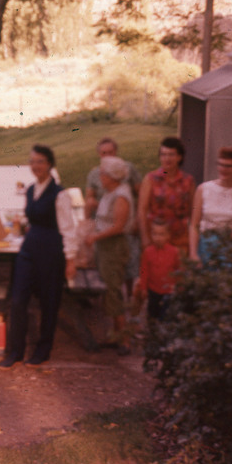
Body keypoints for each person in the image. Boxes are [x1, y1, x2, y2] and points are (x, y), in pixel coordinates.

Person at [0, 145, 78, 369]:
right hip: (29, 250)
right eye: (33, 161)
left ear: (50, 164)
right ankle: (16, 351)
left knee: (49, 302)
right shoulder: (31, 189)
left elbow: (68, 229)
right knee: (18, 300)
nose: (36, 166)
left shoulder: (60, 194)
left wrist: (70, 260)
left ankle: (43, 350)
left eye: (40, 161)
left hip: (51, 252)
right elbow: (31, 219)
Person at [84, 156, 135, 356]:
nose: (100, 176)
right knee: (109, 289)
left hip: (113, 247)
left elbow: (119, 226)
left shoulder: (121, 195)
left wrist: (95, 237)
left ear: (112, 176)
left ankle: (125, 339)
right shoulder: (110, 192)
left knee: (113, 291)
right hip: (105, 247)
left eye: (103, 173)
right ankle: (115, 334)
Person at [84, 136, 142, 294]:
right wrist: (95, 205)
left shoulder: (127, 169)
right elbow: (89, 196)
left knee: (129, 264)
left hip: (123, 222)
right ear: (99, 155)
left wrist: (138, 218)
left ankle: (128, 297)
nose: (108, 156)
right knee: (108, 267)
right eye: (104, 153)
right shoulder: (95, 173)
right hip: (103, 223)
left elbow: (140, 193)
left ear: (116, 151)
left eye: (111, 152)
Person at [189, 146, 232, 267]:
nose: (223, 169)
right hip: (205, 246)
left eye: (228, 166)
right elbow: (194, 225)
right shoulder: (203, 189)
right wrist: (193, 254)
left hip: (230, 248)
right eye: (221, 164)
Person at [137, 136, 196, 257]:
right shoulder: (151, 179)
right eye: (163, 154)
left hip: (181, 239)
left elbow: (192, 212)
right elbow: (142, 211)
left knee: (180, 273)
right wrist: (145, 239)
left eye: (171, 154)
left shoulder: (188, 181)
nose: (167, 158)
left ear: (179, 157)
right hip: (157, 238)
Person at [133, 218, 181, 355]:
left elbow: (179, 270)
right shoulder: (148, 252)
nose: (158, 238)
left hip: (168, 291)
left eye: (161, 234)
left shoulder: (174, 252)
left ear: (168, 236)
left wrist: (177, 286)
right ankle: (152, 344)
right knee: (152, 316)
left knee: (166, 317)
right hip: (153, 290)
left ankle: (165, 344)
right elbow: (144, 271)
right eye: (155, 234)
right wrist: (143, 288)